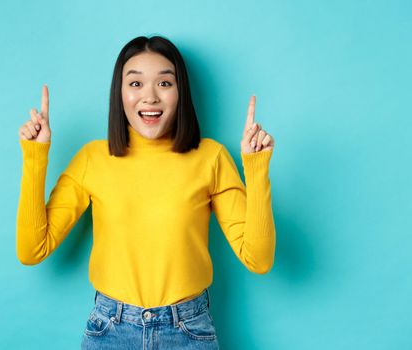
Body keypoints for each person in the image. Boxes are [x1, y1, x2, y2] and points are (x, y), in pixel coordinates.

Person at [17, 35, 276, 350]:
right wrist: (34, 156)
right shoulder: (92, 159)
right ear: (120, 92)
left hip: (188, 331)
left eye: (165, 84)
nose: (150, 97)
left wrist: (256, 166)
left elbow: (258, 258)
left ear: (180, 92)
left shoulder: (211, 158)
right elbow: (32, 250)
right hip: (110, 330)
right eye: (136, 84)